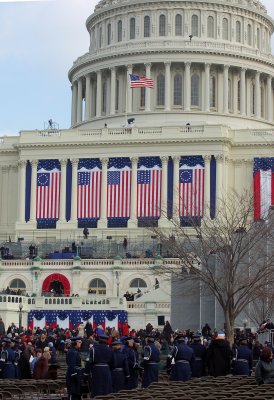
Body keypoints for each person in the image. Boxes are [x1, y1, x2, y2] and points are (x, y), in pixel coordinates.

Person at [85, 334, 114, 398]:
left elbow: (89, 361)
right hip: (107, 371)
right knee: (107, 391)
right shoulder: (111, 350)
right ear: (106, 341)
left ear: (99, 340)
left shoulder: (93, 349)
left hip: (96, 371)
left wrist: (86, 373)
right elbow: (113, 363)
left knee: (97, 390)